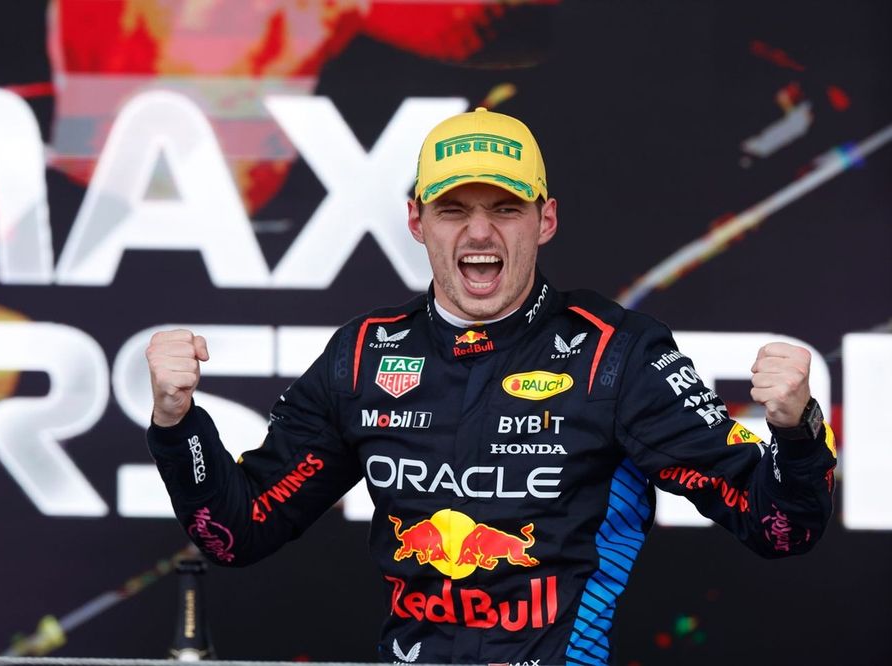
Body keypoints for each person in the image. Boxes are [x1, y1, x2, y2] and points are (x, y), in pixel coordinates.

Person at [145, 107, 837, 665]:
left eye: (505, 208)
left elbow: (780, 529)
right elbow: (237, 533)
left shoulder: (615, 357)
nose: (480, 233)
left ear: (546, 220)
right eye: (454, 209)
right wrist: (179, 427)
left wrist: (799, 432)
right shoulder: (363, 355)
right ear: (417, 220)